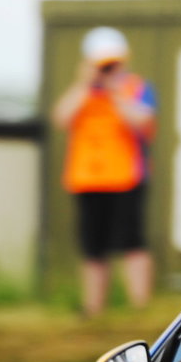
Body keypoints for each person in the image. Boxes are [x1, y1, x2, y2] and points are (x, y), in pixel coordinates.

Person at [53, 27, 156, 316]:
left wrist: (114, 90)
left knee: (133, 244)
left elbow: (143, 121)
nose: (107, 69)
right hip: (88, 180)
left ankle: (140, 309)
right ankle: (93, 309)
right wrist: (84, 84)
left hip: (126, 179)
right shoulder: (81, 92)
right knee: (93, 248)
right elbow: (61, 118)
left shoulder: (135, 88)